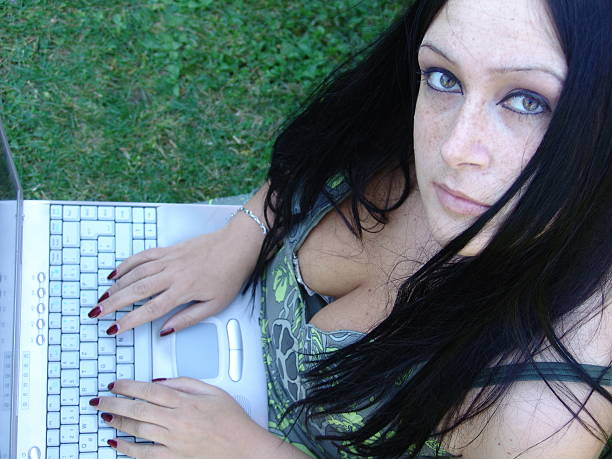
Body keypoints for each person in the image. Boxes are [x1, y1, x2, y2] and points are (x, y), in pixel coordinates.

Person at [84, 0, 611, 457]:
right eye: (444, 77)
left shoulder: (544, 410)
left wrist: (250, 451)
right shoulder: (417, 111)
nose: (453, 149)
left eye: (528, 101)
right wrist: (243, 232)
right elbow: (329, 147)